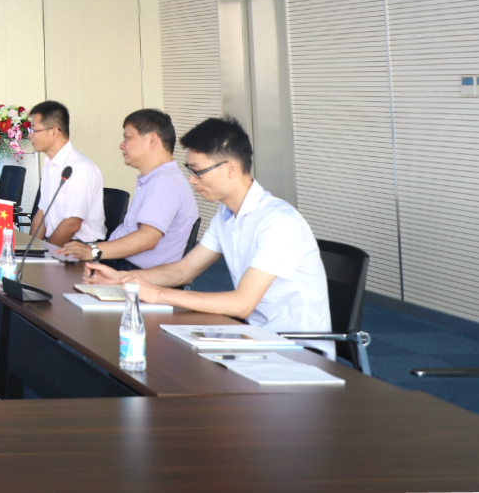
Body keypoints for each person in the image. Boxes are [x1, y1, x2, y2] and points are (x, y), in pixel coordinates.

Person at [85, 116, 331, 336]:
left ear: (230, 168)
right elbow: (183, 271)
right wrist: (122, 279)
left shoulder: (277, 221)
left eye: (198, 172)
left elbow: (242, 304)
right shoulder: (225, 215)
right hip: (254, 334)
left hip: (297, 346)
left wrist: (158, 293)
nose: (192, 181)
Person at [58, 109, 198, 270]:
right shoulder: (157, 180)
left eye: (128, 137)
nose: (121, 145)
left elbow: (147, 239)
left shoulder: (165, 182)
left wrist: (92, 251)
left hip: (134, 272)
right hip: (121, 263)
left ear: (152, 140)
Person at [28, 100, 106, 247]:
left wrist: (46, 254)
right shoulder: (48, 165)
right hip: (57, 246)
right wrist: (31, 249)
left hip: (80, 249)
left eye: (34, 130)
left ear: (54, 132)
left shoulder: (80, 168)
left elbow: (72, 224)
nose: (30, 136)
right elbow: (42, 213)